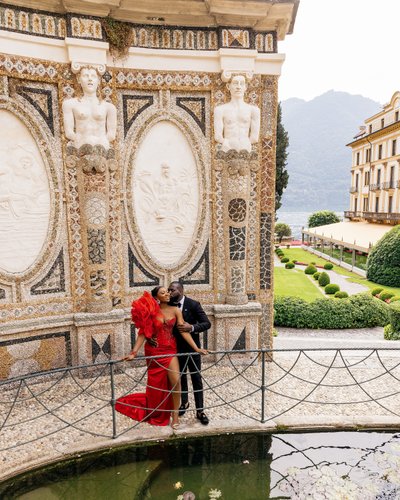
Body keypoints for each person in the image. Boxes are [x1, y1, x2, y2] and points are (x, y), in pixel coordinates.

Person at [116, 286, 208, 429]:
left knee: (176, 381)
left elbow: (183, 331)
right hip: (154, 351)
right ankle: (158, 408)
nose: (167, 294)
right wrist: (133, 352)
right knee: (157, 385)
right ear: (156, 297)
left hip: (170, 350)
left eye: (167, 292)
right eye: (163, 293)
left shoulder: (176, 310)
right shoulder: (152, 311)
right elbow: (142, 333)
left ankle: (175, 416)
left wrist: (197, 349)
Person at [168, 281, 211, 425]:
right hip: (176, 349)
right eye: (168, 290)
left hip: (193, 349)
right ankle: (184, 403)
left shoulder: (193, 304)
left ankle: (200, 410)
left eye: (172, 290)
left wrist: (192, 327)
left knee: (196, 378)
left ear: (180, 290)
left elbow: (206, 323)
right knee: (181, 378)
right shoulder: (169, 306)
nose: (169, 292)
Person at [62, 66, 117, 150]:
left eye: (93, 76)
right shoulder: (70, 104)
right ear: (79, 79)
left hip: (102, 147)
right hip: (80, 146)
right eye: (86, 76)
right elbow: (69, 132)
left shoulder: (109, 107)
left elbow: (111, 134)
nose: (90, 79)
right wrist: (81, 140)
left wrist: (101, 142)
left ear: (98, 81)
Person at [214, 74, 260, 153]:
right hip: (227, 148)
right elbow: (218, 136)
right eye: (235, 83)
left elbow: (255, 137)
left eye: (241, 84)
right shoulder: (220, 110)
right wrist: (227, 143)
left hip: (246, 148)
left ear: (245, 87)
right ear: (228, 86)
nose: (238, 87)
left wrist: (245, 143)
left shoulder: (253, 110)